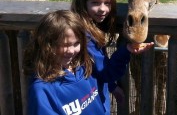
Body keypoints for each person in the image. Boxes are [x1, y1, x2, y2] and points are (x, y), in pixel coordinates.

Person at [23, 10, 153, 115]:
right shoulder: (42, 90)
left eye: (77, 43)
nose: (71, 51)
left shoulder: (86, 67)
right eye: (64, 45)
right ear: (47, 45)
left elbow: (106, 73)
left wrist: (126, 51)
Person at [70, 0, 138, 113]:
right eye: (95, 3)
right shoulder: (84, 35)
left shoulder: (86, 27)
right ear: (83, 4)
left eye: (107, 3)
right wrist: (126, 50)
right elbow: (106, 72)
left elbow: (95, 68)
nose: (103, 9)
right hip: (88, 101)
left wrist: (112, 87)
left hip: (90, 96)